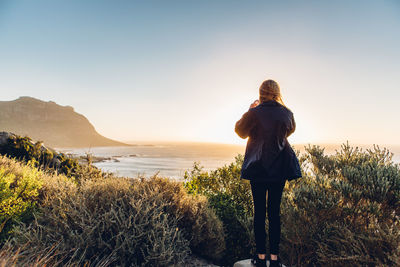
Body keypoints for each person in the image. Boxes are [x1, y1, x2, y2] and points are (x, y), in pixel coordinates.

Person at [235, 80, 301, 267]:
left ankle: (261, 257)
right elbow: (289, 130)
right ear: (277, 93)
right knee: (274, 214)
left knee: (259, 214)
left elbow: (240, 131)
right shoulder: (287, 114)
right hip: (279, 170)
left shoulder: (254, 113)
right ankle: (274, 259)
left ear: (261, 93)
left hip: (258, 169)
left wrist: (249, 110)